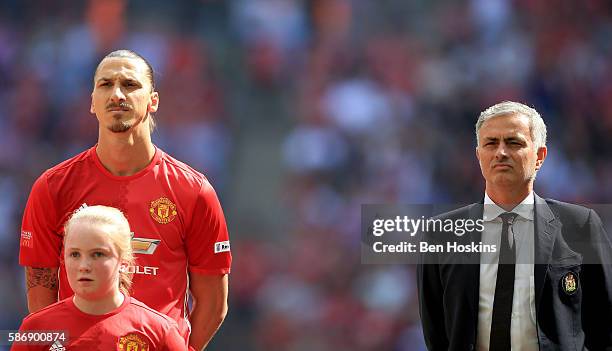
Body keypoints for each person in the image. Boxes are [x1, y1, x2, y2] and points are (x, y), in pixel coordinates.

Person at [19, 49, 231, 351]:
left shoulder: (194, 191)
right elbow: (41, 290)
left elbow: (213, 303)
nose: (117, 94)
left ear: (153, 100)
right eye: (105, 85)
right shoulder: (53, 187)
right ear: (92, 102)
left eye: (130, 85)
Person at [417, 101, 612, 350]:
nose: (500, 152)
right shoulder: (441, 234)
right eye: (490, 143)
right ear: (479, 156)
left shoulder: (580, 225)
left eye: (514, 142)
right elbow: (436, 334)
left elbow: (605, 327)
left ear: (539, 156)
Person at [12, 205, 186, 350]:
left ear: (124, 262)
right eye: (74, 254)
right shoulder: (35, 328)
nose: (84, 266)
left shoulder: (159, 331)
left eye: (97, 254)